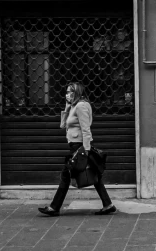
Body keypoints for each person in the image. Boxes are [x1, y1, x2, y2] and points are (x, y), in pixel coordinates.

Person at [38, 82, 116, 216]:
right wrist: (67, 108)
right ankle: (108, 204)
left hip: (79, 146)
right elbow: (63, 125)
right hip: (75, 144)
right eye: (67, 92)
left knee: (66, 175)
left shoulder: (81, 106)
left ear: (77, 93)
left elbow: (86, 129)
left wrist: (85, 150)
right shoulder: (74, 106)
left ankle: (54, 207)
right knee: (94, 174)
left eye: (70, 92)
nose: (67, 94)